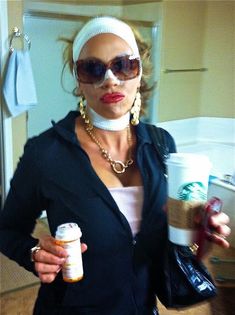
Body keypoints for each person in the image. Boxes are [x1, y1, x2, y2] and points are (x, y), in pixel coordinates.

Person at [0, 16, 230, 315]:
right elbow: (7, 231)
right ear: (78, 80)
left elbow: (172, 250)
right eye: (93, 69)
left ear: (140, 72)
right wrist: (34, 253)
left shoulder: (162, 146)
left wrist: (199, 237)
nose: (110, 79)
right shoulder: (45, 154)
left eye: (124, 65)